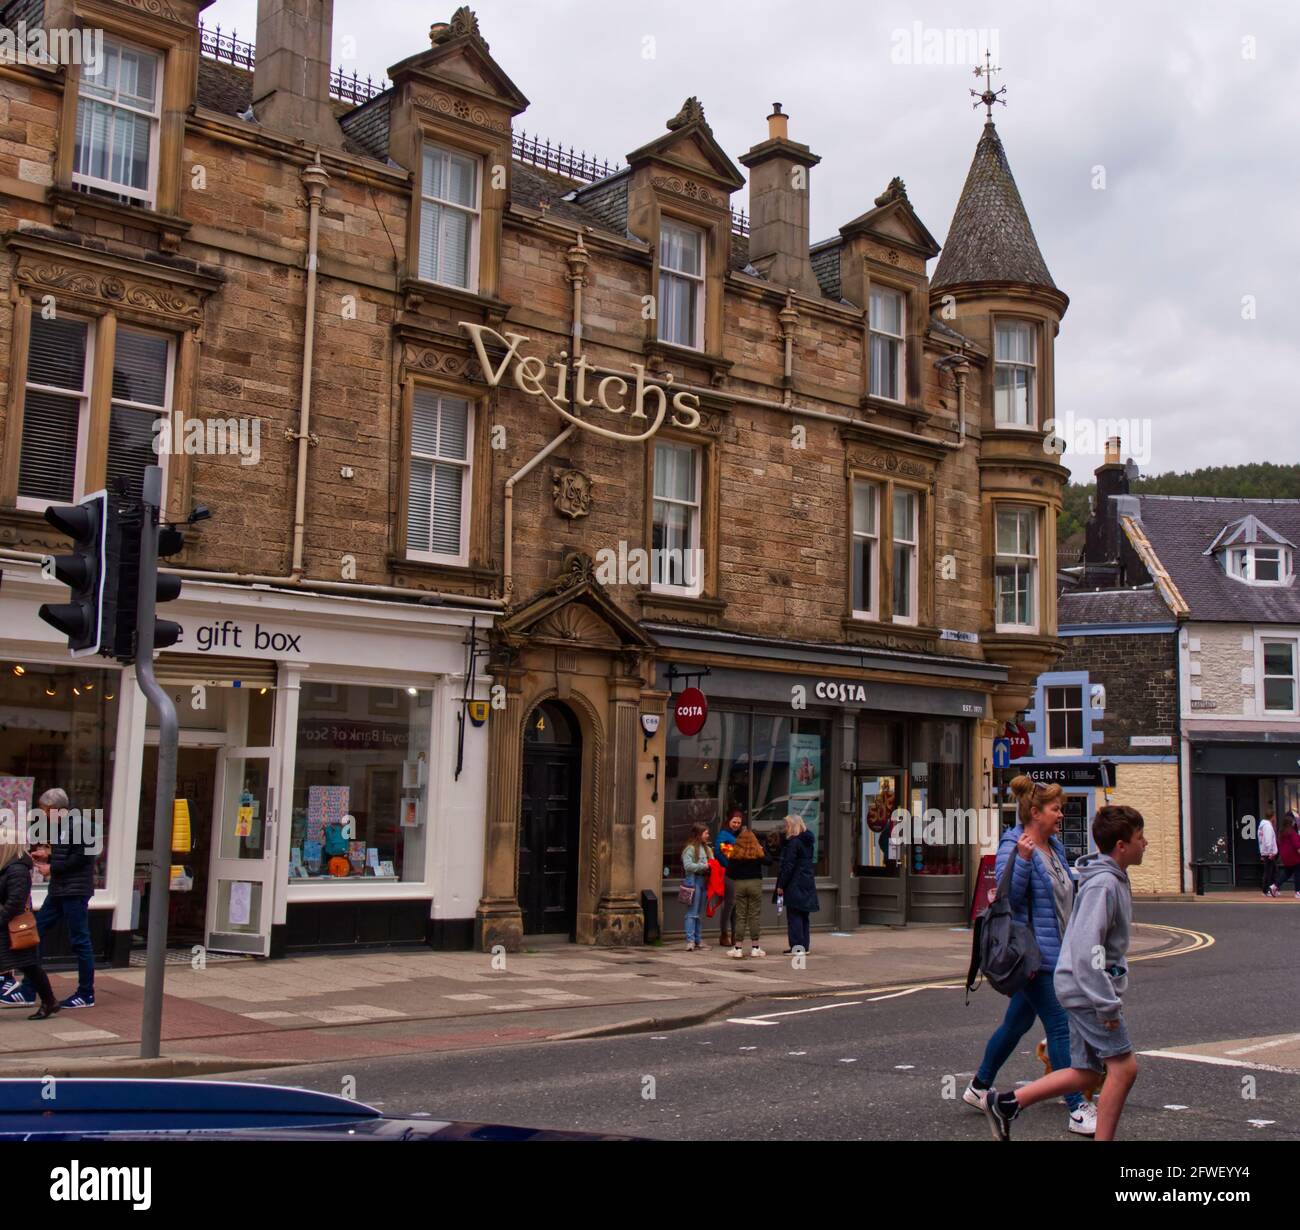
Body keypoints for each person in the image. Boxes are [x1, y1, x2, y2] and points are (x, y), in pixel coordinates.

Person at [983, 805, 1147, 1142]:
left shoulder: (1108, 878)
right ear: (1121, 845)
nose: (1145, 844)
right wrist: (1106, 1004)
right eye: (1140, 837)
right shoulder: (1104, 884)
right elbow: (1088, 951)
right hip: (1087, 988)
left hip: (1077, 984)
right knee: (1124, 1068)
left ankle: (1008, 1103)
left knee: (1087, 1073)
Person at [963, 776, 1096, 1136]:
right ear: (1035, 812)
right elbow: (1007, 898)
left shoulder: (1053, 847)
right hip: (1035, 956)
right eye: (1056, 809)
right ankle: (1077, 1108)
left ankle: (978, 1087)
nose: (1061, 815)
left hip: (1058, 950)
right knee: (1059, 1026)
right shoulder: (1014, 845)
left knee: (1017, 1023)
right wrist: (1021, 860)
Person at [29, 788, 96, 1009]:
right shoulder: (66, 825)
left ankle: (86, 994)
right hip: (59, 890)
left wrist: (51, 867)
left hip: (74, 892)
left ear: (54, 809)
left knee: (80, 940)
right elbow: (69, 851)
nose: (43, 814)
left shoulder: (82, 825)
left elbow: (82, 859)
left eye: (44, 810)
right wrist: (47, 854)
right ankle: (30, 988)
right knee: (34, 933)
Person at [0, 844, 59, 1020]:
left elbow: (16, 903)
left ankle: (49, 1001)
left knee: (30, 966)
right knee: (30, 966)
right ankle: (50, 1001)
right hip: (6, 926)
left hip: (13, 928)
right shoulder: (6, 868)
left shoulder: (17, 870)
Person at [776, 814, 819, 954]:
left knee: (794, 916)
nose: (786, 828)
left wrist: (781, 885)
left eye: (787, 825)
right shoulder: (808, 842)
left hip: (795, 882)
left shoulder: (794, 843)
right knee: (804, 916)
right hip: (807, 881)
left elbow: (788, 865)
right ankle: (804, 946)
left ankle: (797, 947)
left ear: (793, 826)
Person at [725, 827, 769, 959]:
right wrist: (762, 848)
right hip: (755, 883)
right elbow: (769, 861)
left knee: (740, 916)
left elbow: (729, 873)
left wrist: (739, 876)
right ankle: (755, 948)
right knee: (754, 915)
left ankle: (738, 948)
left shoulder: (735, 853)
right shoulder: (757, 852)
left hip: (740, 884)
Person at [681, 822, 712, 951]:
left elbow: (712, 862)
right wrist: (704, 866)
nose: (708, 835)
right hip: (692, 882)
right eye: (706, 833)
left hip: (703, 881)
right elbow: (687, 866)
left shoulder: (707, 849)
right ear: (699, 834)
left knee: (698, 913)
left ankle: (698, 940)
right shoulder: (690, 849)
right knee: (692, 913)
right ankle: (690, 940)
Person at [714, 810, 743, 947]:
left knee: (735, 906)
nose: (736, 824)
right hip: (728, 874)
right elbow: (723, 855)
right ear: (729, 821)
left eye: (738, 822)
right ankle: (724, 934)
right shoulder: (724, 835)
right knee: (730, 904)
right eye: (734, 822)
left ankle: (733, 935)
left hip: (736, 874)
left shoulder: (736, 835)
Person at [1274, 813, 1300, 899]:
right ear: (1291, 823)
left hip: (1286, 858)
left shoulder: (1281, 833)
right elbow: (1297, 846)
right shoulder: (1292, 833)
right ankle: (1297, 891)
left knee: (1287, 874)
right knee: (1297, 874)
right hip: (1295, 857)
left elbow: (1279, 844)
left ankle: (1274, 886)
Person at [1259, 806, 1280, 897]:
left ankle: (1271, 889)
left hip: (1265, 852)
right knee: (1269, 872)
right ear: (1272, 816)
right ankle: (1266, 890)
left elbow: (1261, 840)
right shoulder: (1267, 826)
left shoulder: (1262, 826)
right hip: (1269, 853)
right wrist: (1271, 852)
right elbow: (1268, 841)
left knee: (1272, 871)